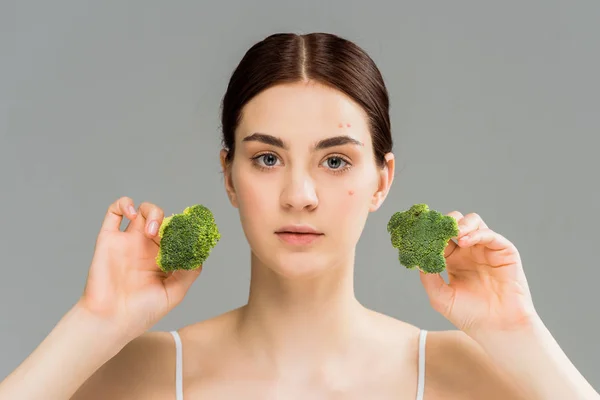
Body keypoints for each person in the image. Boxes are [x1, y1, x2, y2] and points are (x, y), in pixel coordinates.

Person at [0, 32, 597, 400]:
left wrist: (520, 336)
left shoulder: (465, 372)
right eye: (266, 158)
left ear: (381, 180)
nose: (300, 194)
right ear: (229, 176)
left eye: (335, 161)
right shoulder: (142, 373)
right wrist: (94, 322)